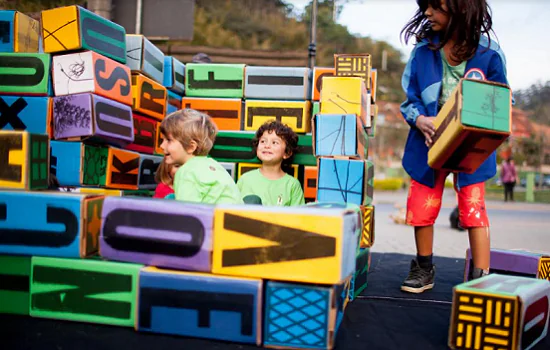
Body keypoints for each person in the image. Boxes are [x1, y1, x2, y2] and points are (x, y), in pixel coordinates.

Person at [399, 0, 510, 293]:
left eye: (435, 6)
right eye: (425, 6)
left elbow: (504, 101)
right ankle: (424, 267)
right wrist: (420, 119)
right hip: (428, 146)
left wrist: (487, 125)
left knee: (474, 209)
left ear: (460, 7)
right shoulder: (422, 51)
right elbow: (409, 100)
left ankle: (479, 277)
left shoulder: (490, 54)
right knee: (422, 205)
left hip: (472, 150)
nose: (427, 13)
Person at [159, 109, 243, 204]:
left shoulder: (187, 172)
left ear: (191, 147)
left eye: (169, 140)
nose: (162, 146)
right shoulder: (212, 164)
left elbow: (186, 212)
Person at [237, 120, 305, 206]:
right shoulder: (245, 179)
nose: (267, 146)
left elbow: (297, 217)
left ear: (287, 153)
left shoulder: (292, 185)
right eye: (263, 141)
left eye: (274, 143)